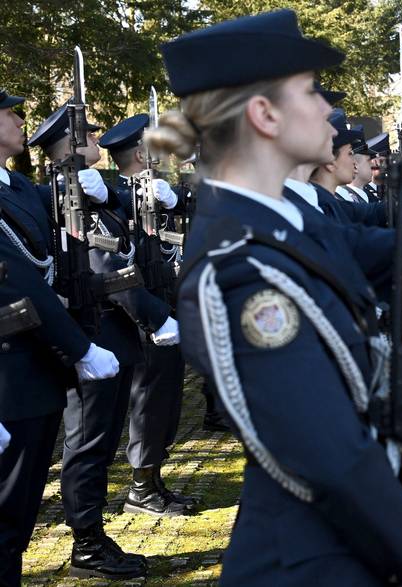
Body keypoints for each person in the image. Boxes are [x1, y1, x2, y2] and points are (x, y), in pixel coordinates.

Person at [150, 9, 402, 585]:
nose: (327, 111)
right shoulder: (238, 267)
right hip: (308, 560)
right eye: (309, 93)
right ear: (264, 115)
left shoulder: (279, 221)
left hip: (345, 540)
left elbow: (376, 249)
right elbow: (329, 451)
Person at [29, 102, 179, 579]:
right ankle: (87, 542)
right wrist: (153, 316)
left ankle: (92, 535)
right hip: (93, 335)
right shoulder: (65, 198)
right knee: (87, 444)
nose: (97, 143)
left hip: (110, 338)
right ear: (70, 148)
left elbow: (129, 244)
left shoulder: (96, 196)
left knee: (102, 440)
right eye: (88, 138)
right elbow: (105, 267)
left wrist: (111, 201)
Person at [0, 89, 120, 586]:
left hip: (36, 373)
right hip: (7, 377)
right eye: (7, 112)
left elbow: (54, 259)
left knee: (18, 516)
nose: (16, 118)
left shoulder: (18, 187)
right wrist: (81, 348)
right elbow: (15, 276)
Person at [98, 114, 194, 517]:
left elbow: (197, 206)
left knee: (167, 397)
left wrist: (174, 199)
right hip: (141, 313)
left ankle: (155, 480)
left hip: (167, 303)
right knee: (148, 399)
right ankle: (140, 487)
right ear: (140, 153)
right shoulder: (111, 194)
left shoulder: (161, 190)